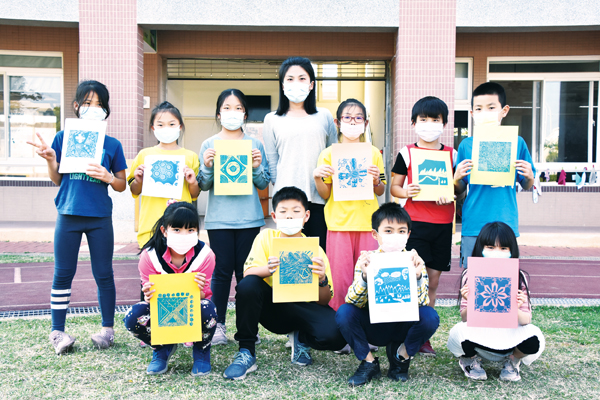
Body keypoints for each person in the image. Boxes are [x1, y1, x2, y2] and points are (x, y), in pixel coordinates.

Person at [27, 80, 128, 355]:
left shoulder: (113, 144)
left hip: (99, 217)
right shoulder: (63, 138)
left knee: (104, 274)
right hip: (68, 214)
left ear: (106, 110)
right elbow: (57, 179)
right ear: (76, 106)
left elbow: (122, 184)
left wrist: (108, 176)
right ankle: (58, 332)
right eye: (87, 103)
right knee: (62, 274)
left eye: (99, 104)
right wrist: (50, 159)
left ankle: (108, 330)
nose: (93, 108)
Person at [222, 186, 346, 380]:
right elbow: (248, 274)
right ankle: (246, 351)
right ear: (274, 215)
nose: (289, 217)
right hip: (273, 308)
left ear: (306, 216)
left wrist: (322, 279)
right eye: (283, 211)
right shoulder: (266, 237)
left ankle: (301, 337)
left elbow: (323, 301)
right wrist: (268, 270)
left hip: (304, 307)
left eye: (296, 212)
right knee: (248, 285)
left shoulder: (315, 249)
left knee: (337, 336)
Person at [335, 203, 439, 386]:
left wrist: (417, 277)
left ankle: (401, 357)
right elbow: (352, 300)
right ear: (376, 234)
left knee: (430, 316)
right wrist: (365, 278)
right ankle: (368, 362)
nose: (395, 236)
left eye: (401, 231)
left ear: (408, 234)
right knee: (344, 312)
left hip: (403, 324)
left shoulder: (414, 259)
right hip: (375, 323)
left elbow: (424, 302)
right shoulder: (367, 259)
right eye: (388, 231)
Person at [198, 88, 270, 346]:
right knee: (220, 273)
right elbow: (203, 185)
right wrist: (206, 166)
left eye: (238, 108)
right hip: (219, 219)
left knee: (246, 275)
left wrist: (257, 166)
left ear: (245, 114)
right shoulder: (209, 145)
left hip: (249, 219)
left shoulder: (254, 144)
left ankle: (247, 327)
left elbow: (263, 183)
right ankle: (217, 326)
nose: (232, 113)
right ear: (218, 114)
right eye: (227, 108)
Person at [389, 96, 456, 356]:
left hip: (442, 225)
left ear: (445, 123)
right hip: (415, 223)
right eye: (424, 120)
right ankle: (404, 331)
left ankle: (423, 335)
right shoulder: (406, 152)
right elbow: (395, 186)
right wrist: (406, 191)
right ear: (414, 123)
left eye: (435, 120)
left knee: (433, 281)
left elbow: (459, 188)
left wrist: (451, 191)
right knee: (411, 279)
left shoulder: (452, 154)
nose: (429, 124)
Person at [123, 202, 218, 376]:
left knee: (208, 309)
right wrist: (148, 294)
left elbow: (205, 294)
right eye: (177, 229)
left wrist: (198, 290)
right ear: (164, 231)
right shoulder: (149, 256)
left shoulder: (206, 255)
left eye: (191, 230)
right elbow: (149, 298)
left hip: (191, 308)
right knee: (133, 317)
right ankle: (161, 348)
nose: (184, 235)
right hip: (163, 310)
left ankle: (202, 352)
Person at [447, 222, 545, 382]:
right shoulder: (470, 274)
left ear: (512, 250)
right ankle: (470, 359)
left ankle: (513, 360)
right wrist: (469, 301)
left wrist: (516, 308)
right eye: (490, 247)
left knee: (535, 336)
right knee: (458, 332)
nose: (497, 253)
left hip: (509, 339)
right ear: (480, 248)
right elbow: (465, 319)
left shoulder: (519, 276)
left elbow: (526, 320)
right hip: (480, 339)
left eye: (503, 248)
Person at [314, 98, 385, 311]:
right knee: (340, 278)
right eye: (347, 117)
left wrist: (376, 181)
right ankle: (341, 329)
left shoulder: (373, 153)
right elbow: (325, 194)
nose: (352, 122)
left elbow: (381, 190)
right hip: (339, 224)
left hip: (367, 224)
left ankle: (367, 329)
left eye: (358, 118)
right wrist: (318, 178)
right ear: (338, 122)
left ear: (365, 122)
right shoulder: (328, 154)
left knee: (369, 276)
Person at [454, 82, 535, 269]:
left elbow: (527, 184)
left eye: (491, 108)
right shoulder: (466, 145)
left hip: (506, 220)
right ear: (472, 113)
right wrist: (456, 178)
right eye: (479, 109)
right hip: (474, 222)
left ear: (504, 110)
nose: (485, 112)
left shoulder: (517, 143)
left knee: (504, 278)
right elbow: (459, 189)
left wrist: (530, 176)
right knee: (471, 280)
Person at [263, 56, 338, 251]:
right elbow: (272, 162)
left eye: (302, 78)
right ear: (282, 84)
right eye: (290, 79)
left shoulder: (324, 116)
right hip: (286, 201)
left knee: (317, 254)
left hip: (318, 199)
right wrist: (283, 193)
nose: (296, 83)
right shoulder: (272, 119)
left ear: (312, 84)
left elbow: (333, 154)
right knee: (288, 256)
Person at [128, 101, 200, 248]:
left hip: (180, 227)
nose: (166, 128)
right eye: (160, 125)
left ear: (180, 126)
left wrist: (192, 182)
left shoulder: (190, 156)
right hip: (150, 226)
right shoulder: (145, 155)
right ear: (153, 128)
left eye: (172, 124)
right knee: (151, 268)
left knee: (179, 269)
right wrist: (138, 180)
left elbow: (194, 195)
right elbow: (134, 191)